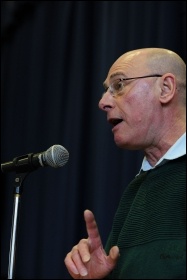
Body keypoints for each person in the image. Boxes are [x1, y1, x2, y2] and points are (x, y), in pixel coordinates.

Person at [64, 48, 186, 279]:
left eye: (118, 85)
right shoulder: (137, 190)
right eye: (106, 91)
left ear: (166, 88)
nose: (103, 102)